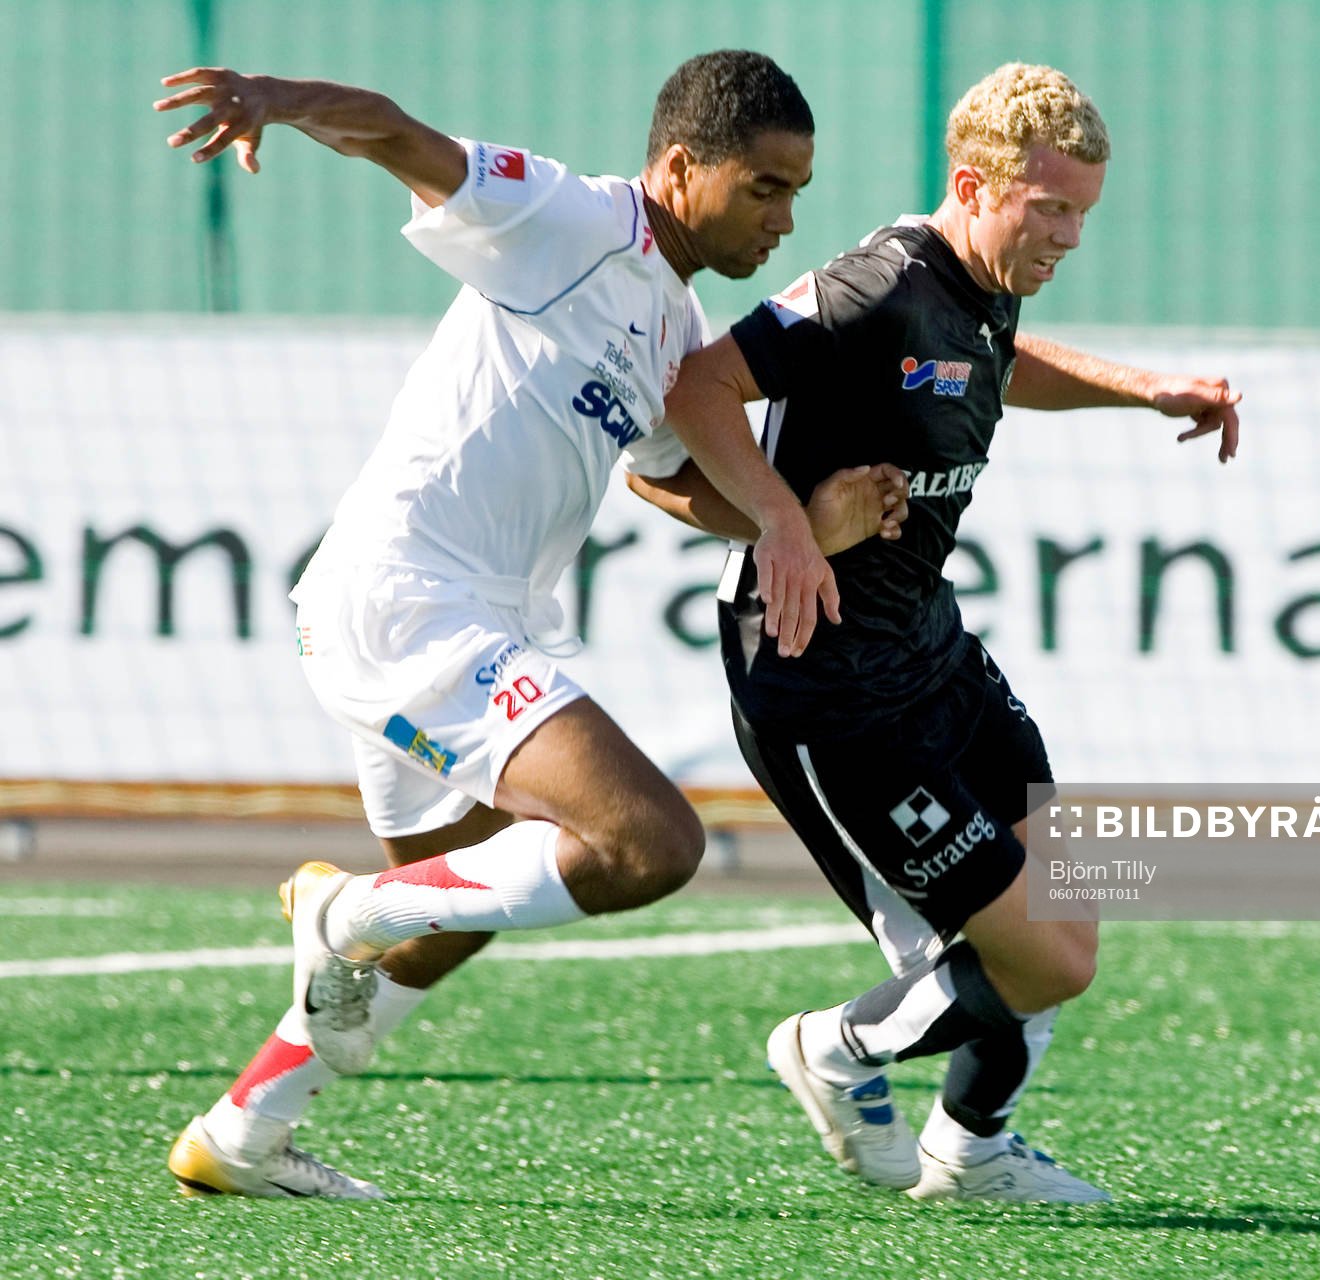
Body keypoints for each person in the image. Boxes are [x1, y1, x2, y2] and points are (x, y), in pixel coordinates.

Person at [153, 52, 908, 1200]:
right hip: (410, 599)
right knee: (650, 841)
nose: (786, 217)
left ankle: (246, 1125)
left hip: (447, 617)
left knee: (452, 909)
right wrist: (278, 100)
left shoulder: (671, 317)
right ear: (679, 166)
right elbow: (403, 135)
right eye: (765, 186)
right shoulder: (573, 217)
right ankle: (337, 908)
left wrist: (805, 521)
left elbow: (665, 479)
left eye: (797, 191)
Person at [642, 62, 1241, 1202]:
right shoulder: (874, 285)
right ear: (974, 184)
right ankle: (832, 1046)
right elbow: (695, 387)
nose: (1067, 236)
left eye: (1082, 212)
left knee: (1063, 900)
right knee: (1042, 957)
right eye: (1050, 208)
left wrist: (1147, 390)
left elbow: (996, 367)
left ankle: (972, 1147)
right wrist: (787, 521)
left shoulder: (985, 280)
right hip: (826, 686)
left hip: (930, 649)